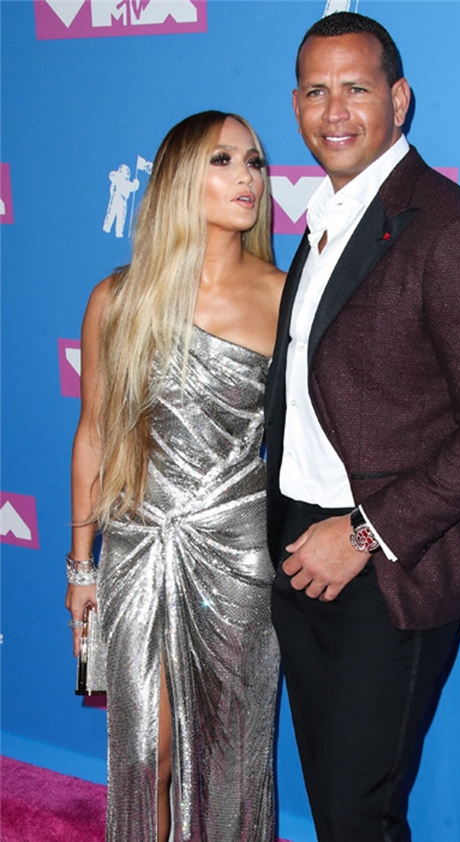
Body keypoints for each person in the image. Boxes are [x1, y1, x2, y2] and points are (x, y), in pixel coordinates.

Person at [266, 12, 460, 842]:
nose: (334, 111)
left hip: (389, 565)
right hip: (296, 543)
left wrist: (363, 534)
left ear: (399, 100)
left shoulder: (450, 231)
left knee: (358, 816)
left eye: (355, 88)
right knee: (334, 807)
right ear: (295, 104)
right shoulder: (324, 217)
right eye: (316, 91)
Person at [66, 111, 285, 842]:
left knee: (231, 765)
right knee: (145, 755)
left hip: (237, 555)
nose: (246, 177)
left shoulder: (287, 295)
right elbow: (95, 434)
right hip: (137, 547)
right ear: (178, 179)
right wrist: (81, 567)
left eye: (254, 162)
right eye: (223, 160)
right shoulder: (117, 298)